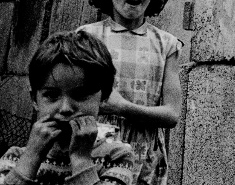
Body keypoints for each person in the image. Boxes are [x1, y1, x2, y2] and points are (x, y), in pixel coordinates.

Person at [78, 0, 181, 185]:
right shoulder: (86, 38)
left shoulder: (167, 44)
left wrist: (122, 107)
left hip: (145, 159)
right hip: (95, 151)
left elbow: (172, 114)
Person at [0, 31, 135, 185]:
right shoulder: (16, 157)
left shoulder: (117, 156)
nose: (65, 108)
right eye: (51, 95)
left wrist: (81, 160)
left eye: (80, 95)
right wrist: (32, 157)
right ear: (34, 100)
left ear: (104, 97)